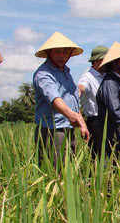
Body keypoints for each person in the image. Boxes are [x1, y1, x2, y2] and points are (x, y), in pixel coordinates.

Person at [33, 31, 90, 167]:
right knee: (55, 171)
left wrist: (81, 121)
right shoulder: (44, 74)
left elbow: (73, 100)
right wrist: (72, 116)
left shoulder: (66, 72)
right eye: (57, 52)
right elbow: (55, 99)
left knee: (70, 168)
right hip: (53, 130)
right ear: (49, 53)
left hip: (68, 127)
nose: (62, 56)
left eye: (65, 52)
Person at [78, 45, 108, 157]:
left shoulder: (106, 76)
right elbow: (80, 88)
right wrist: (78, 91)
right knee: (98, 156)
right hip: (96, 122)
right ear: (97, 61)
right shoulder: (87, 77)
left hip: (108, 120)